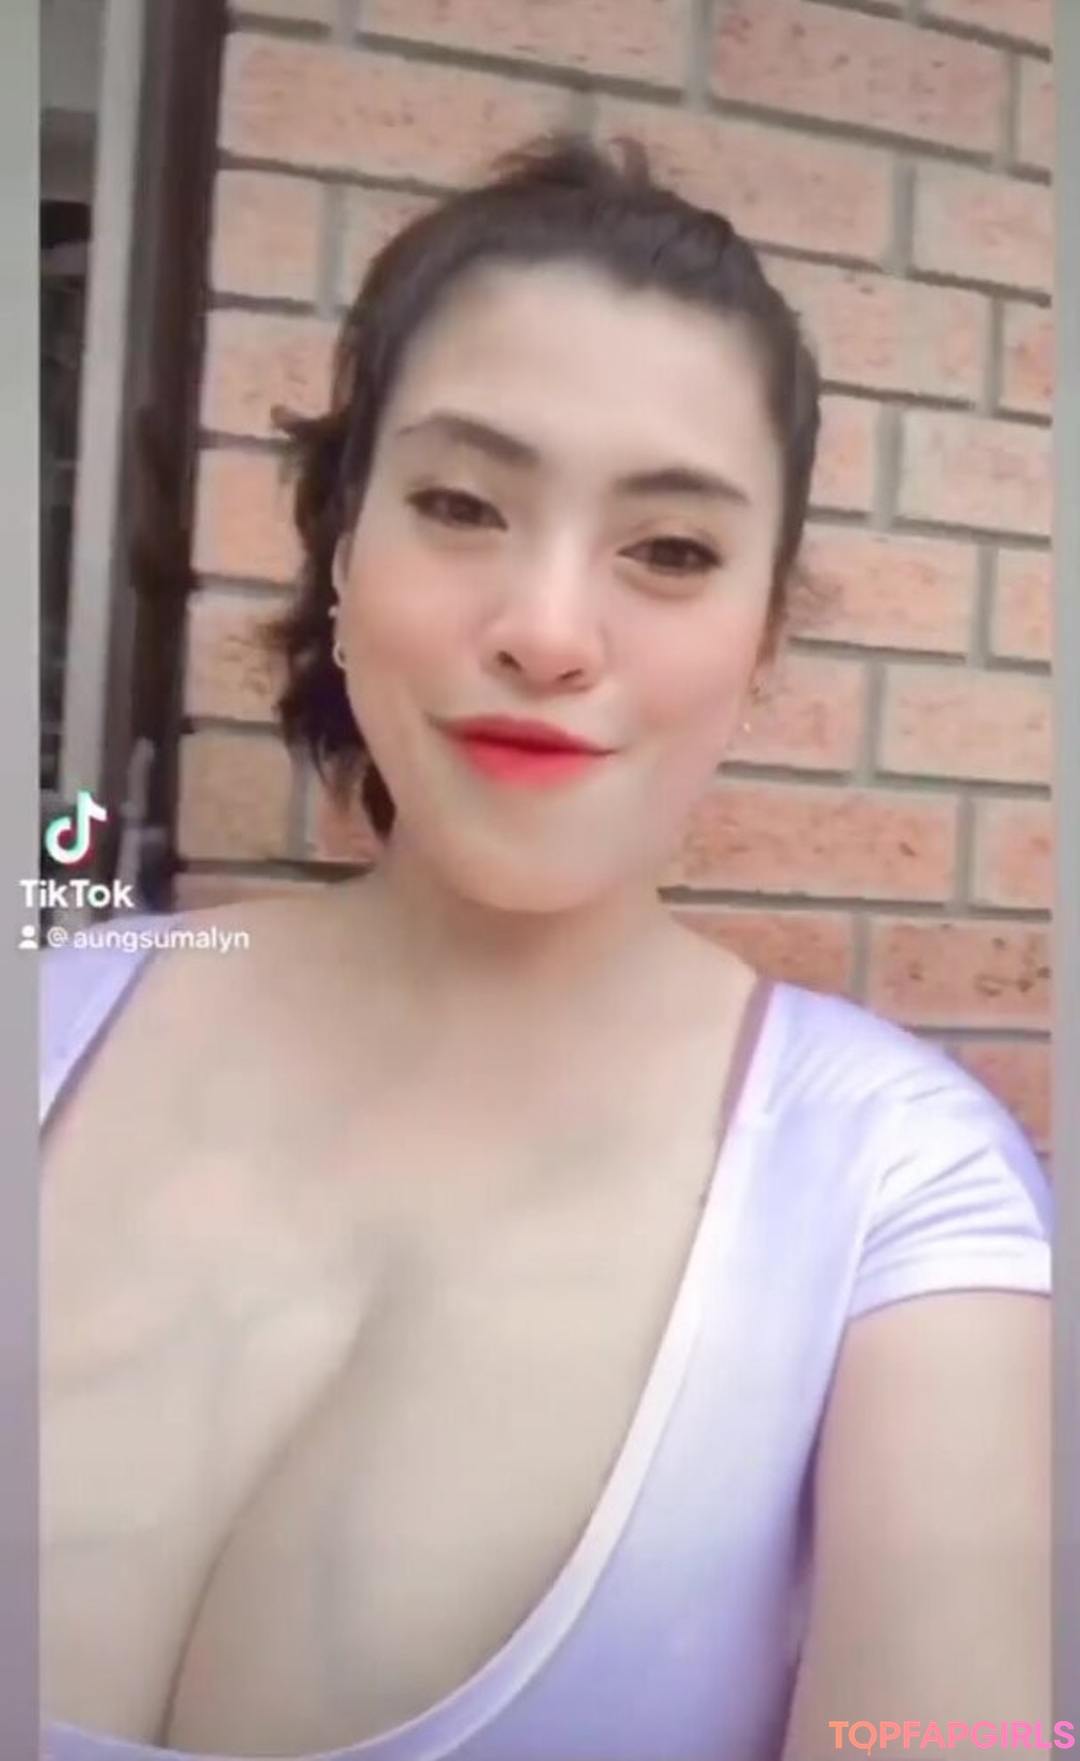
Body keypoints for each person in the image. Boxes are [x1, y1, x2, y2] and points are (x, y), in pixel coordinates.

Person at [40, 134, 1052, 1761]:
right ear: (341, 549)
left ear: (764, 635)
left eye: (673, 550)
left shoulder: (906, 1204)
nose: (550, 631)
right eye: (460, 504)